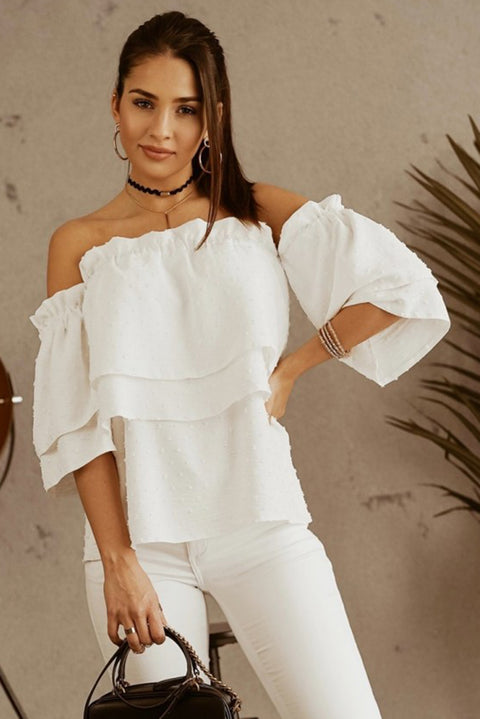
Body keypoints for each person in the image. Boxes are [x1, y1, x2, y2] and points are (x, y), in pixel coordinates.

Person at [29, 10, 450, 719]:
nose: (162, 130)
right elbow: (78, 420)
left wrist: (294, 367)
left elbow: (401, 288)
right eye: (144, 103)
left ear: (213, 118)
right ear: (116, 104)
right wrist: (119, 562)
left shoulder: (255, 214)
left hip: (259, 517)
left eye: (186, 109)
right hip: (140, 543)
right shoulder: (80, 243)